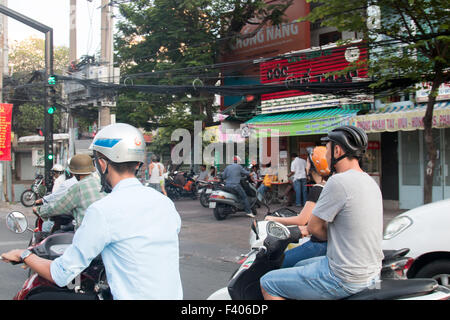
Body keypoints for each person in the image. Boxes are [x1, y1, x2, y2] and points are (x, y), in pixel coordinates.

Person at [1, 123, 183, 300]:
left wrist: (23, 255)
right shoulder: (165, 204)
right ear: (137, 164)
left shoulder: (103, 210)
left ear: (102, 164)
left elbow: (61, 274)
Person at [260, 125, 384, 300]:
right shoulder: (370, 182)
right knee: (300, 264)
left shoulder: (338, 182)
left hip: (344, 275)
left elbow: (313, 227)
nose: (326, 156)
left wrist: (313, 230)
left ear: (338, 150)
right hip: (370, 271)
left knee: (268, 282)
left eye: (327, 150)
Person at [265, 146, 330, 268]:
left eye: (308, 163)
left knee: (276, 263)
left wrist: (273, 219)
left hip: (318, 245)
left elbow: (302, 220)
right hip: (329, 243)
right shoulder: (331, 185)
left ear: (313, 167)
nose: (306, 166)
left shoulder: (318, 188)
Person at [33, 154, 106, 230]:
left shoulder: (78, 187)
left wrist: (39, 210)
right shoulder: (101, 183)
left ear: (74, 173)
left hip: (86, 232)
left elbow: (58, 206)